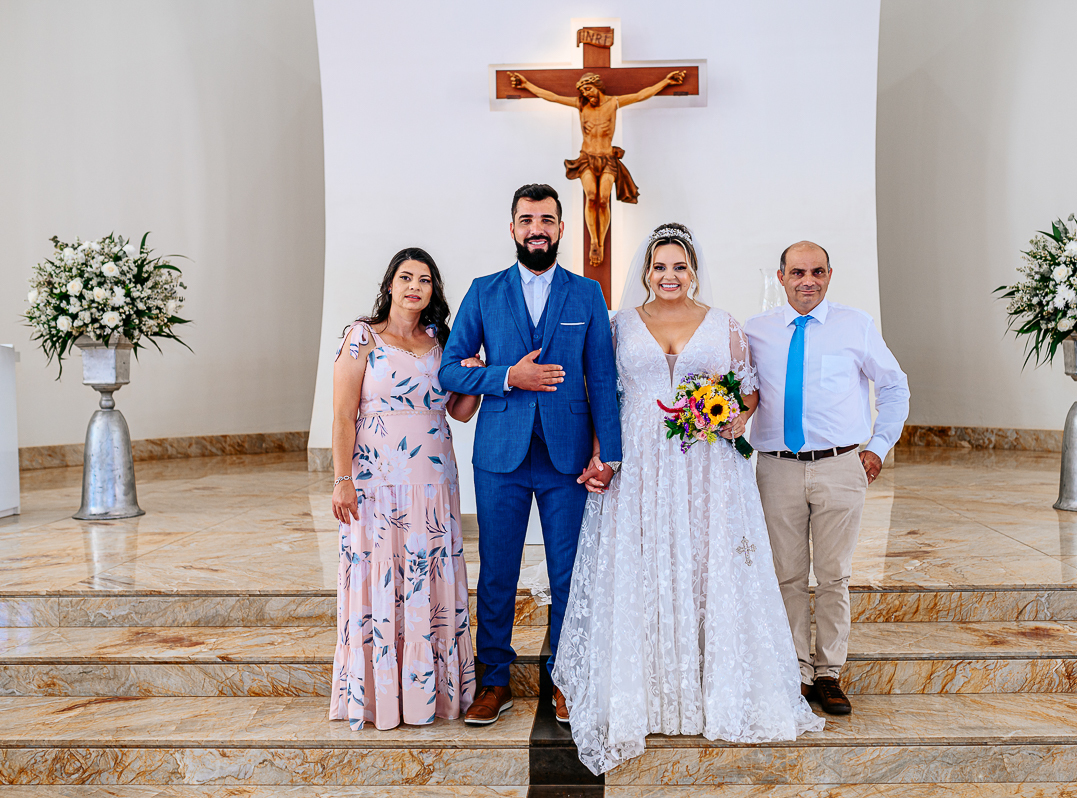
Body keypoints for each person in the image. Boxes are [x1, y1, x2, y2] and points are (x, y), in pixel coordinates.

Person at [552, 223, 825, 775]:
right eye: (659, 267)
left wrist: (730, 418)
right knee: (642, 562)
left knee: (706, 564)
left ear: (693, 269)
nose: (669, 276)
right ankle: (646, 689)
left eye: (679, 266)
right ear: (646, 272)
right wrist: (603, 455)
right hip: (641, 464)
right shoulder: (619, 325)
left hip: (705, 465)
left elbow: (748, 389)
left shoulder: (724, 324)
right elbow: (607, 393)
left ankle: (710, 688)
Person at [438, 183, 623, 727]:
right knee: (497, 571)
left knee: (569, 574)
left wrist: (607, 455)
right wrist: (506, 376)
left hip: (568, 459)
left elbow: (603, 378)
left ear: (562, 228)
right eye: (526, 219)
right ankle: (493, 680)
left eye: (546, 219)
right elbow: (450, 369)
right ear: (513, 228)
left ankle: (565, 679)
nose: (536, 228)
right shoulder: (483, 292)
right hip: (501, 456)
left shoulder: (587, 293)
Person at [744, 241, 910, 716]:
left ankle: (829, 672)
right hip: (776, 467)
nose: (807, 281)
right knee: (788, 574)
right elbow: (737, 392)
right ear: (781, 278)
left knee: (834, 575)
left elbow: (895, 386)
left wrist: (878, 447)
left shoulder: (855, 325)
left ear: (830, 275)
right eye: (797, 272)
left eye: (817, 271)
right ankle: (795, 670)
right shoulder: (756, 332)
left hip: (841, 465)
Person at [328, 247, 481, 730]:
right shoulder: (362, 337)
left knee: (428, 580)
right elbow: (341, 414)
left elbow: (458, 411)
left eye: (426, 279)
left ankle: (430, 699)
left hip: (433, 484)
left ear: (433, 290)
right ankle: (380, 697)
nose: (415, 286)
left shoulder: (442, 340)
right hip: (376, 484)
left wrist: (476, 375)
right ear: (390, 284)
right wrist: (341, 479)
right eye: (406, 276)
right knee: (381, 577)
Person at [505, 70, 685, 267]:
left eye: (588, 89)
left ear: (597, 86)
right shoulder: (581, 106)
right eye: (583, 92)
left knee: (603, 198)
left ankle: (601, 237)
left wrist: (666, 82)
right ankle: (595, 242)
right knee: (591, 196)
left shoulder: (613, 102)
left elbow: (642, 94)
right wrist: (527, 85)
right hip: (587, 159)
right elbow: (553, 97)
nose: (586, 95)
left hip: (607, 158)